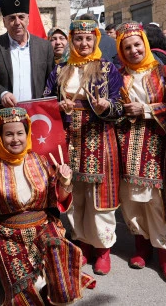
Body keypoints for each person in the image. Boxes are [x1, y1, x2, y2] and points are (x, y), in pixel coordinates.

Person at [0, 107, 95, 305]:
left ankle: (53, 276)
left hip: (43, 227)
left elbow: (57, 199)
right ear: (0, 137)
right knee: (28, 291)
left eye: (20, 133)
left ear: (27, 134)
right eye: (9, 134)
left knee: (58, 260)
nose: (15, 139)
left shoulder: (40, 161)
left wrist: (64, 182)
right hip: (9, 235)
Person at [43, 19, 124, 275]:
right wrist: (59, 106)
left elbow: (120, 105)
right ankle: (82, 243)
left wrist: (105, 106)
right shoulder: (60, 69)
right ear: (71, 41)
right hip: (68, 138)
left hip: (99, 136)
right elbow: (46, 100)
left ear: (96, 40)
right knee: (74, 193)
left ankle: (103, 249)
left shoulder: (108, 68)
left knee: (99, 196)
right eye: (78, 39)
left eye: (89, 38)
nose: (84, 43)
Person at [114, 22, 166, 284]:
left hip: (156, 146)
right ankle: (142, 248)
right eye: (127, 47)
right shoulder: (117, 76)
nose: (133, 51)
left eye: (137, 45)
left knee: (157, 201)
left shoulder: (163, 72)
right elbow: (111, 109)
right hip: (127, 145)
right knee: (132, 199)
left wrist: (145, 109)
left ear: (145, 43)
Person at [0, 0, 54, 107]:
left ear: (28, 19)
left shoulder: (44, 47)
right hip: (7, 112)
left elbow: (51, 80)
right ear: (4, 22)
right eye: (12, 18)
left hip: (37, 112)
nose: (17, 22)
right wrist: (2, 93)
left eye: (21, 17)